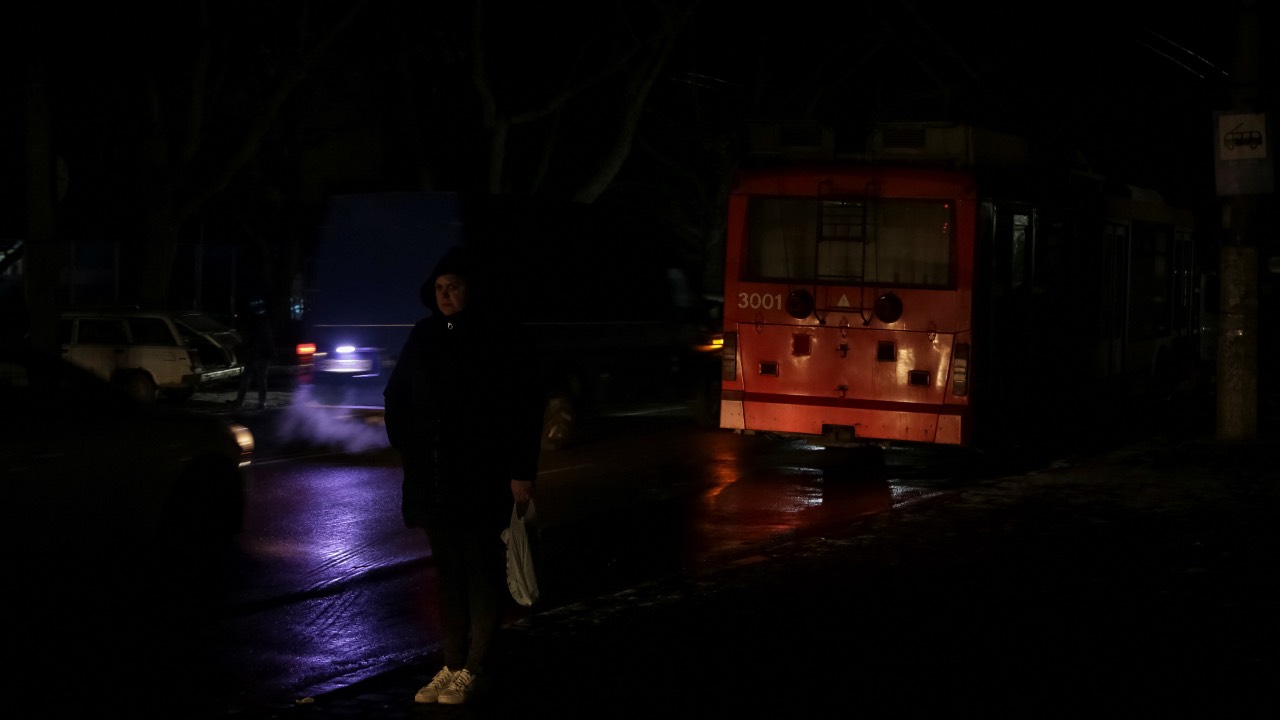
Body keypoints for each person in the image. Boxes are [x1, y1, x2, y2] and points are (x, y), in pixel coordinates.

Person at [382, 244, 545, 705]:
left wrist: (520, 471)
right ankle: (451, 662)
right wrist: (410, 445)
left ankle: (475, 665)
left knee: (479, 569)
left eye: (454, 287)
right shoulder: (426, 334)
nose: (445, 295)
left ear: (473, 290)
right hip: (435, 476)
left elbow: (523, 407)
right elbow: (397, 396)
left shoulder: (501, 337)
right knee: (448, 571)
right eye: (439, 288)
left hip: (481, 473)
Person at [233, 298, 275, 410]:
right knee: (260, 378)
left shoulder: (253, 323)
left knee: (248, 378)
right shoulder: (264, 322)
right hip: (263, 353)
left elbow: (249, 339)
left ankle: (240, 402)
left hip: (256, 353)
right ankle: (261, 403)